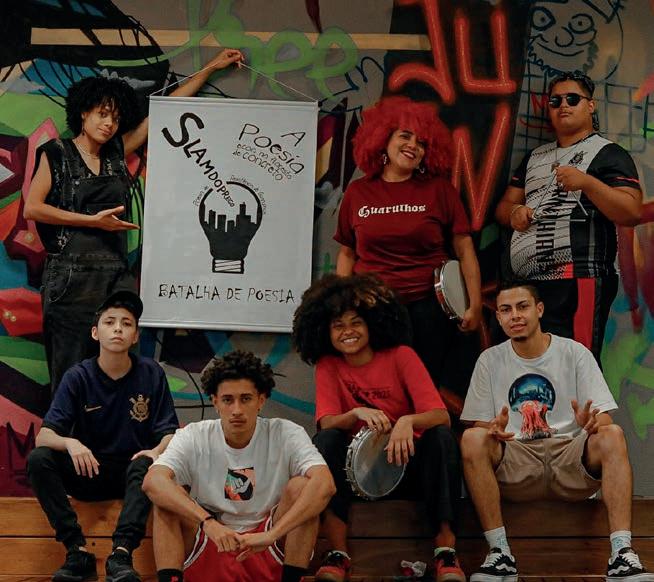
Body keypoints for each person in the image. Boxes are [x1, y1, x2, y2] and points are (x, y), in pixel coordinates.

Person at [23, 48, 244, 393]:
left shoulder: (116, 152)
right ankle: (66, 430)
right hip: (70, 277)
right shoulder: (57, 153)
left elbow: (164, 110)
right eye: (102, 114)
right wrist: (92, 221)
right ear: (83, 112)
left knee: (120, 374)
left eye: (114, 118)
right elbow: (33, 208)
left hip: (115, 274)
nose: (108, 124)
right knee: (70, 374)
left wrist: (210, 68)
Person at [460, 282, 652, 581]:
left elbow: (603, 418)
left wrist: (591, 423)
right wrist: (492, 429)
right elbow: (480, 427)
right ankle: (499, 553)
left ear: (539, 309)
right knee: (472, 438)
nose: (515, 316)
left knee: (612, 434)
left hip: (569, 458)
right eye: (506, 310)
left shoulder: (574, 352)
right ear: (498, 317)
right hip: (517, 461)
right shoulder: (489, 360)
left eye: (522, 306)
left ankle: (621, 554)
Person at [292, 274, 464, 582]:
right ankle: (337, 553)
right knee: (326, 441)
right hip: (356, 475)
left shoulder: (401, 356)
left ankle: (445, 551)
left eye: (356, 322)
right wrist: (355, 413)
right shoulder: (328, 365)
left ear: (372, 323)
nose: (348, 331)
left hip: (409, 467)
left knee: (442, 438)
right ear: (324, 331)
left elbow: (441, 415)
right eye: (338, 325)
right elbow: (327, 422)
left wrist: (407, 421)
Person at [142, 350, 335, 582]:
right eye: (227, 400)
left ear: (261, 400)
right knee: (167, 496)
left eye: (245, 399)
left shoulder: (286, 433)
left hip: (268, 544)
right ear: (215, 401)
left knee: (303, 487)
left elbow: (325, 484)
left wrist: (272, 534)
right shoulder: (194, 435)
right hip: (211, 542)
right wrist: (208, 523)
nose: (237, 410)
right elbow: (153, 482)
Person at [26, 289, 179, 582]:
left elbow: (170, 434)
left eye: (126, 323)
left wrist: (155, 452)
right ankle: (77, 551)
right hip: (89, 470)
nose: (118, 328)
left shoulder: (151, 373)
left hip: (133, 478)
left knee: (149, 465)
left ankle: (121, 555)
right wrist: (70, 442)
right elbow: (44, 437)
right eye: (110, 322)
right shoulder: (78, 376)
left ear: (135, 336)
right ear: (95, 333)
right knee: (39, 459)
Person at [334, 95, 482, 392]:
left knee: (422, 391)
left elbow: (465, 250)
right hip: (372, 310)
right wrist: (342, 305)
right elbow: (347, 253)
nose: (413, 145)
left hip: (428, 311)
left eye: (422, 142)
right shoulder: (358, 192)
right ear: (383, 139)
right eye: (405, 136)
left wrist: (475, 304)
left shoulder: (440, 190)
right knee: (378, 390)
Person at [495, 71, 642, 363]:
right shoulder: (535, 157)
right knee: (532, 369)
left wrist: (587, 183)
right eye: (555, 101)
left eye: (573, 99)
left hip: (578, 279)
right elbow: (503, 207)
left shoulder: (607, 153)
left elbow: (631, 212)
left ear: (590, 105)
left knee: (575, 365)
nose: (563, 105)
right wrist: (514, 213)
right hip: (528, 285)